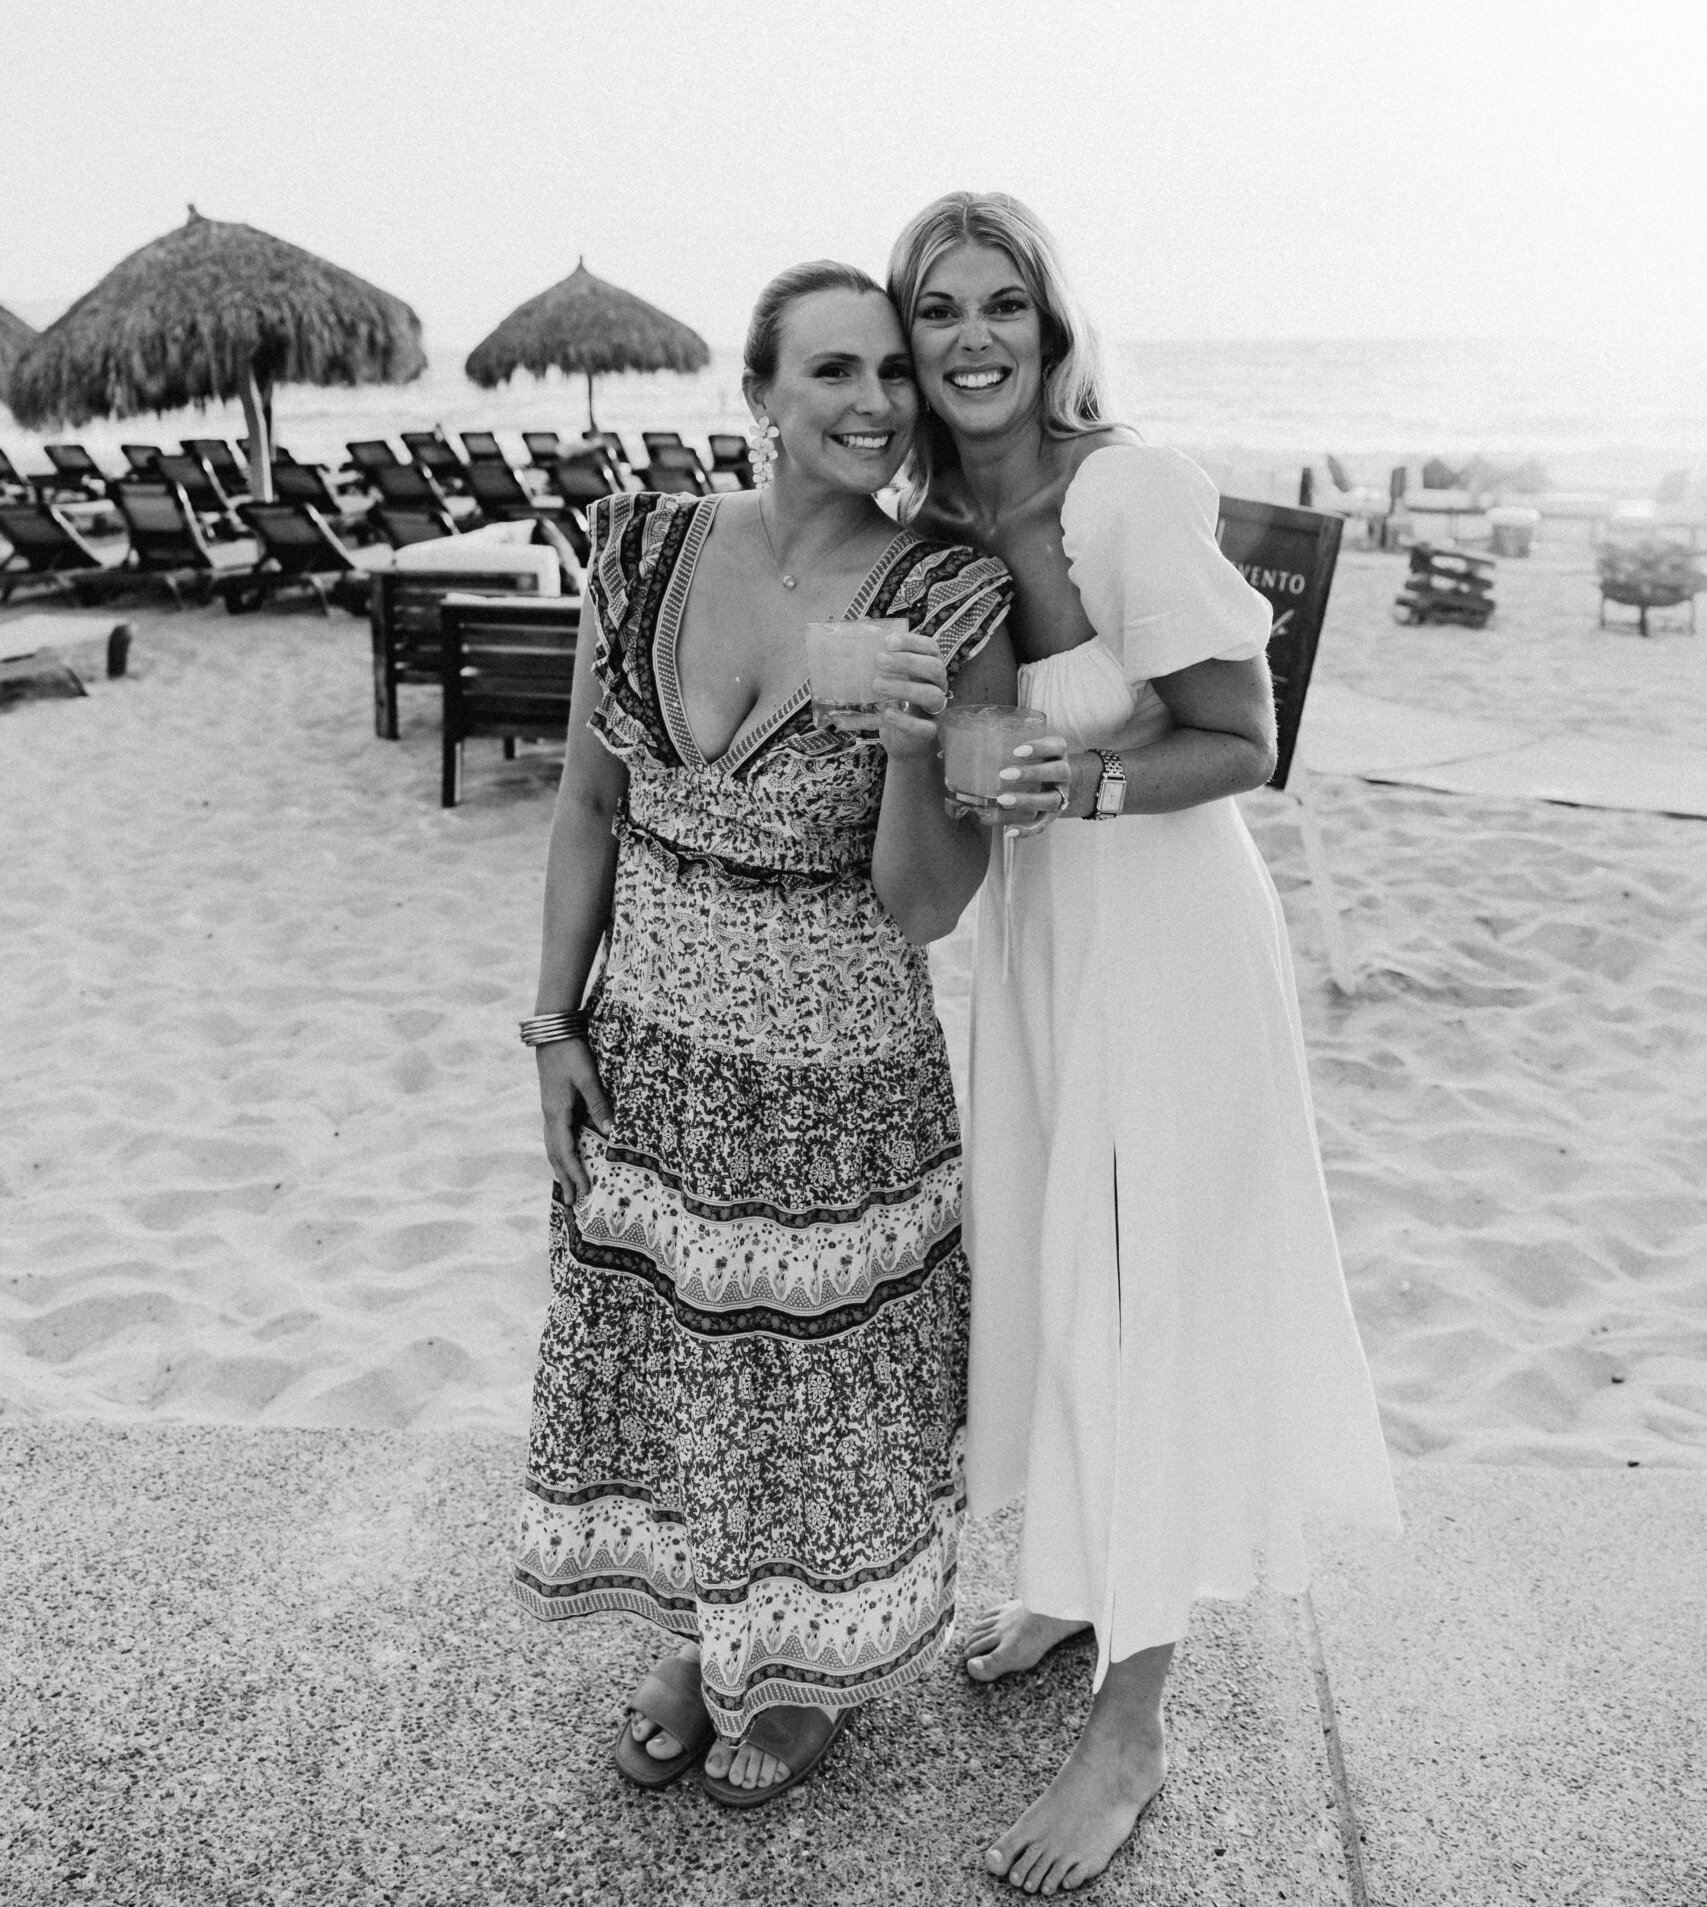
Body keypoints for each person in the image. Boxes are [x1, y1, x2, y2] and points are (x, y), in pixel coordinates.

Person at [888, 193, 1399, 1895]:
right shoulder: (937, 527)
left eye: (1002, 305)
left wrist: (1093, 782)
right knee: (1056, 1264)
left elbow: (1245, 736)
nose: (973, 337)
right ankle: (1075, 1578)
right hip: (1046, 944)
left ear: (1050, 328)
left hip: (1171, 938)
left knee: (1146, 1284)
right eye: (939, 309)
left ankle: (1134, 1723)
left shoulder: (1127, 493)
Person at [512, 260, 1015, 1809]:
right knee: (677, 1366)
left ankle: (803, 1671)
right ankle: (693, 1641)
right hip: (653, 1049)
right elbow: (587, 803)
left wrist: (917, 752)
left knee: (817, 1396)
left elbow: (929, 904)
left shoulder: (954, 597)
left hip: (837, 1075)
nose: (875, 401)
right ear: (760, 396)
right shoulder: (639, 545)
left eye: (894, 372)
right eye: (834, 372)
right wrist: (553, 1024)